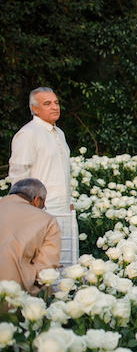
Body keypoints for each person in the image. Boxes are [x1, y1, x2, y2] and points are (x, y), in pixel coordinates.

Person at [8, 87, 78, 267]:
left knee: (66, 264)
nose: (54, 107)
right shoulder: (28, 134)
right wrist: (28, 208)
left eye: (56, 102)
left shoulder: (59, 134)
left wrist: (68, 201)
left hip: (63, 210)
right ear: (34, 109)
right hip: (41, 211)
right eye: (47, 104)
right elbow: (18, 175)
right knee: (43, 265)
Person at [0, 178, 61, 295]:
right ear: (37, 200)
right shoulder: (47, 221)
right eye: (43, 206)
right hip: (15, 294)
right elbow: (45, 270)